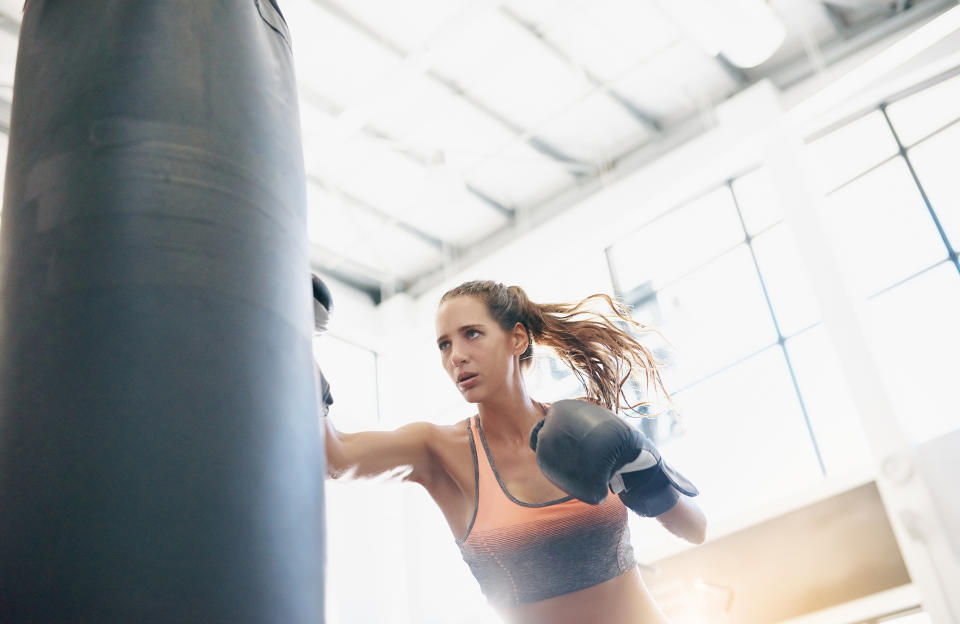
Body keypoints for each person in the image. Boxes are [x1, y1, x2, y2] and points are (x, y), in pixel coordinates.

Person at [317, 278, 706, 624]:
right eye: (444, 344)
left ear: (517, 338)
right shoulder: (438, 450)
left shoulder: (588, 423)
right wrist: (293, 341)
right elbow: (335, 458)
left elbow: (695, 529)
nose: (456, 356)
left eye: (472, 333)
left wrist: (645, 469)